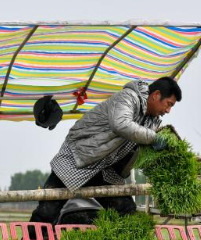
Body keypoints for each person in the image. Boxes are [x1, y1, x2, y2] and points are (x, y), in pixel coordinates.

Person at [29, 76, 182, 224]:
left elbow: (141, 147)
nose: (168, 110)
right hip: (78, 157)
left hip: (104, 168)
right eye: (168, 104)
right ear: (156, 95)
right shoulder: (128, 97)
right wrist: (154, 138)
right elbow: (121, 124)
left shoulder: (151, 120)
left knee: (126, 210)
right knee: (47, 210)